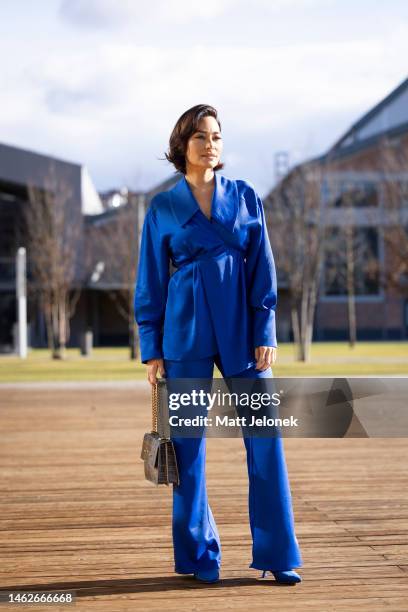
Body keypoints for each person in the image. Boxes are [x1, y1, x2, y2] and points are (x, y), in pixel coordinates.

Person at [134, 104, 303, 585]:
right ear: (182, 145)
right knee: (187, 447)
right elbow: (150, 281)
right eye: (201, 137)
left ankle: (278, 554)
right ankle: (197, 557)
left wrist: (264, 330)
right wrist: (152, 348)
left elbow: (262, 270)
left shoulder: (247, 197)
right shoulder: (162, 207)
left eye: (217, 137)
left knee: (265, 439)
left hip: (241, 330)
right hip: (183, 332)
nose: (211, 145)